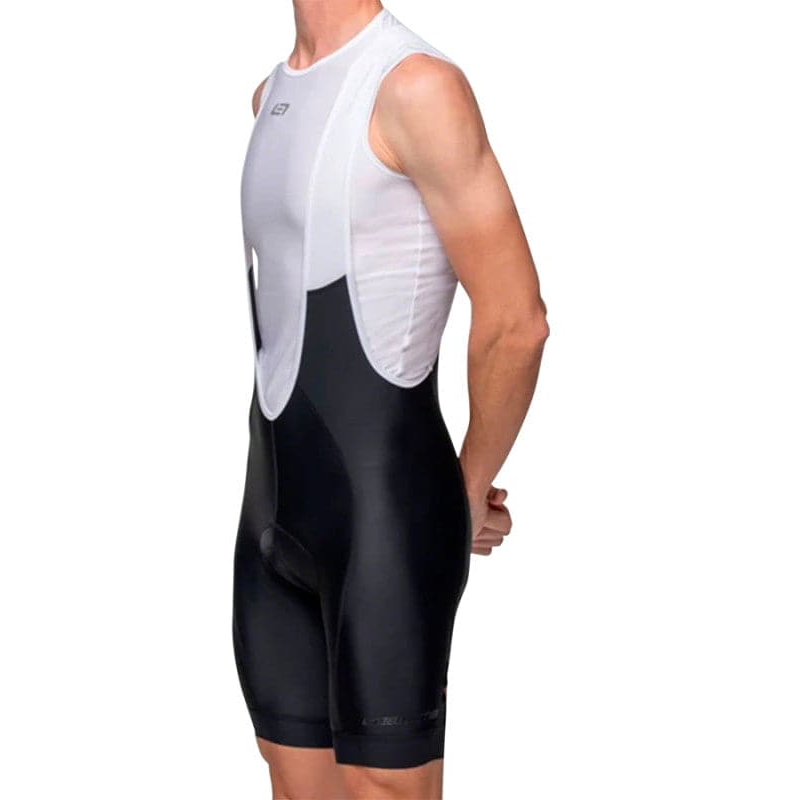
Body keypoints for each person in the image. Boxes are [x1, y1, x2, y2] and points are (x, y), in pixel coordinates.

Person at [232, 2, 548, 797]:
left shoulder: (415, 87)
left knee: (387, 786)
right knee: (291, 782)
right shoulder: (269, 94)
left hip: (383, 522)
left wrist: (464, 492)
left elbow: (517, 322)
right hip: (269, 514)